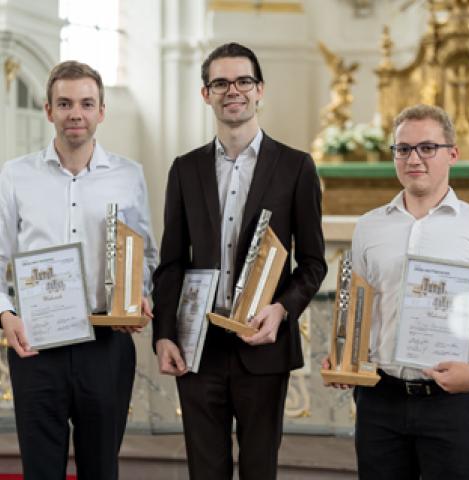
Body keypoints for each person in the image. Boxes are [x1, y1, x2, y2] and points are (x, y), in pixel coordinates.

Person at [152, 42, 326, 480]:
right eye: (221, 82)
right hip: (199, 346)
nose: (234, 90)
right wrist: (164, 335)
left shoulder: (296, 167)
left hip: (262, 346)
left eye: (243, 81)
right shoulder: (184, 169)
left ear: (259, 89)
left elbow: (312, 262)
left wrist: (282, 309)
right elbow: (171, 262)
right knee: (205, 470)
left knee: (259, 469)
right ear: (205, 93)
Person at [0, 60, 158, 480]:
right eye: (65, 103)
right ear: (48, 110)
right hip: (37, 346)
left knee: (101, 469)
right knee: (41, 470)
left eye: (87, 104)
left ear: (101, 111)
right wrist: (6, 314)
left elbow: (146, 254)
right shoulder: (14, 177)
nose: (76, 113)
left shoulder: (128, 175)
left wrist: (139, 295)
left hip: (106, 344)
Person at [348, 104, 469, 479]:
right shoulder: (369, 227)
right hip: (380, 400)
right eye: (403, 149)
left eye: (427, 147)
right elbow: (360, 308)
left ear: (452, 154)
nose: (413, 158)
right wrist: (346, 356)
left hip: (452, 402)